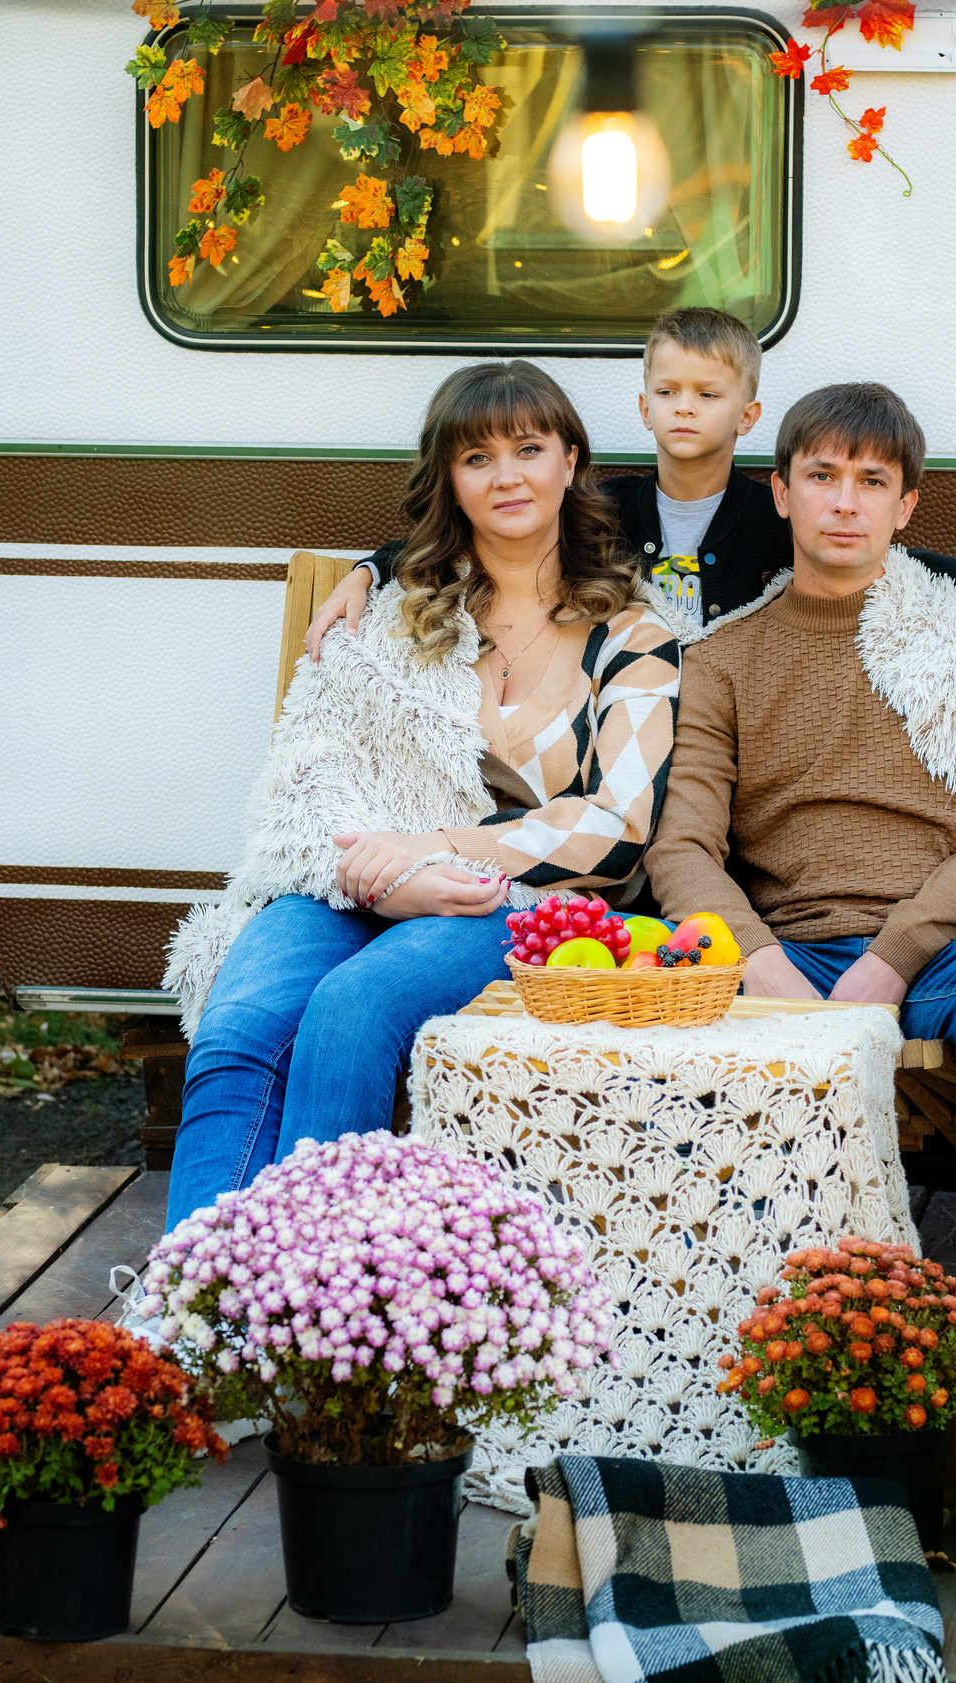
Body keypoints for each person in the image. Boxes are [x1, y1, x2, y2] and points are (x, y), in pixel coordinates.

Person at [159, 360, 682, 1233]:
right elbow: (306, 775)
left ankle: (312, 1298)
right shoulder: (393, 613)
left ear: (570, 462)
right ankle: (192, 1309)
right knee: (238, 1029)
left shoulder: (634, 633)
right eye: (477, 458)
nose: (507, 474)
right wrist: (379, 875)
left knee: (351, 1007)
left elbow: (616, 829)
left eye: (529, 448)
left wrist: (432, 851)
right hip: (354, 879)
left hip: (513, 901)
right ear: (449, 479)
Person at [644, 382, 956, 1352]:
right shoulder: (719, 662)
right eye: (823, 477)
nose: (845, 502)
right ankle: (719, 1288)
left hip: (941, 957)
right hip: (783, 955)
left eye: (871, 481)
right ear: (781, 493)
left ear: (906, 506)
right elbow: (680, 845)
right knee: (653, 1006)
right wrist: (761, 968)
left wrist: (890, 962)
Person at [302, 307, 956, 684]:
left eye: (708, 392)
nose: (686, 407)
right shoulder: (604, 507)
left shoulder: (775, 513)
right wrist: (373, 568)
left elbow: (895, 554)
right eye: (667, 390)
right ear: (643, 408)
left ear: (749, 415)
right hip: (619, 707)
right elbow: (484, 530)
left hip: (726, 712)